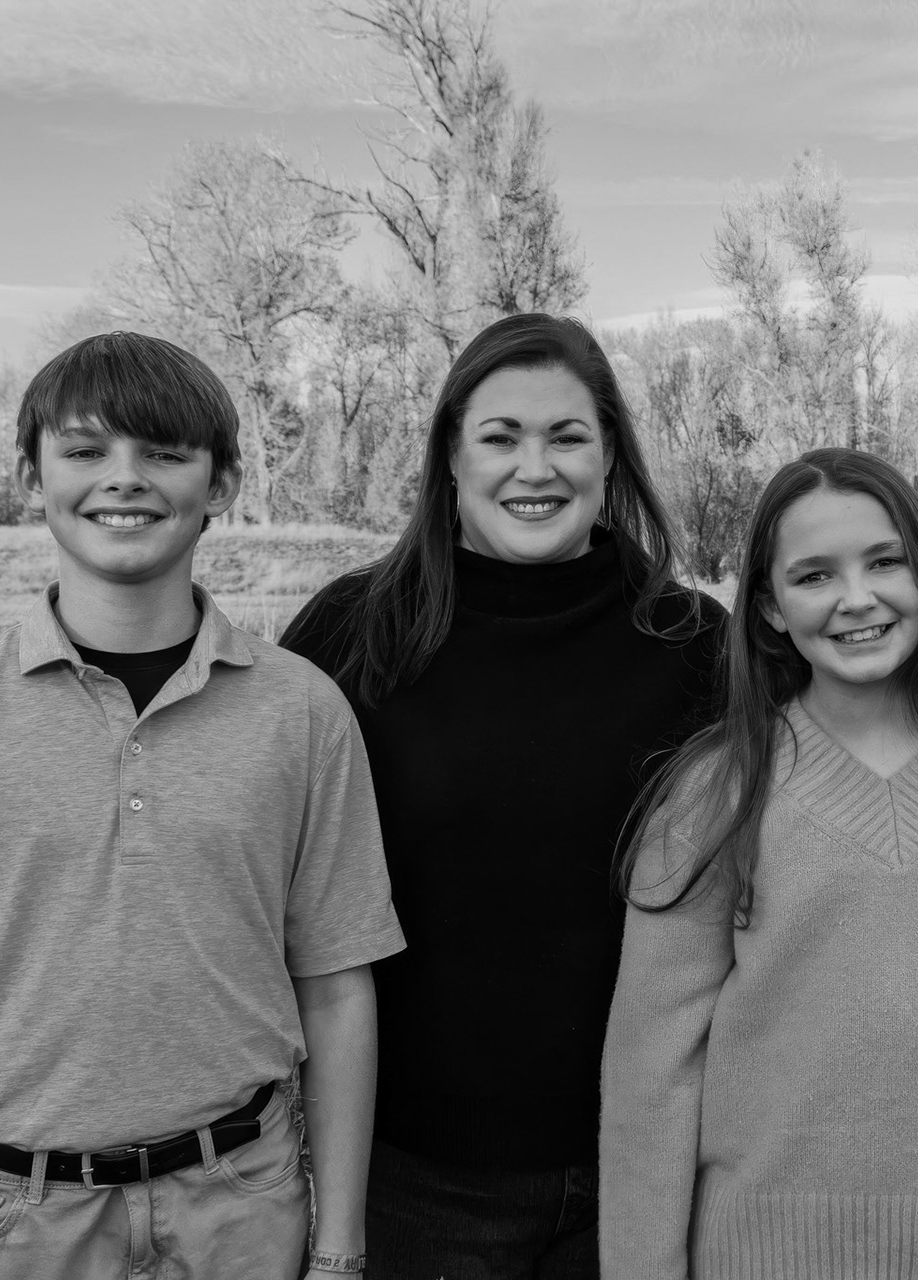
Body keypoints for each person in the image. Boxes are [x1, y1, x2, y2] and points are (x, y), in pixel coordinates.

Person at [0, 331, 405, 1280]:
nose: (124, 478)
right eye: (85, 450)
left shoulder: (302, 711)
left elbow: (337, 991)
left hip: (243, 1209)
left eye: (164, 452)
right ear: (31, 476)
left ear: (221, 484)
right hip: (13, 1221)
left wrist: (337, 1252)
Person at [602, 447, 918, 1280]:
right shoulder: (718, 789)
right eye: (813, 576)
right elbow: (652, 1070)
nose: (856, 598)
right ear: (769, 608)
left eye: (885, 561)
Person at [280, 313, 727, 1279]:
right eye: (500, 437)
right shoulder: (353, 635)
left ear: (610, 457)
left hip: (645, 1161)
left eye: (567, 436)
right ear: (451, 456)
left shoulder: (694, 643)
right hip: (417, 1178)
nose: (536, 468)